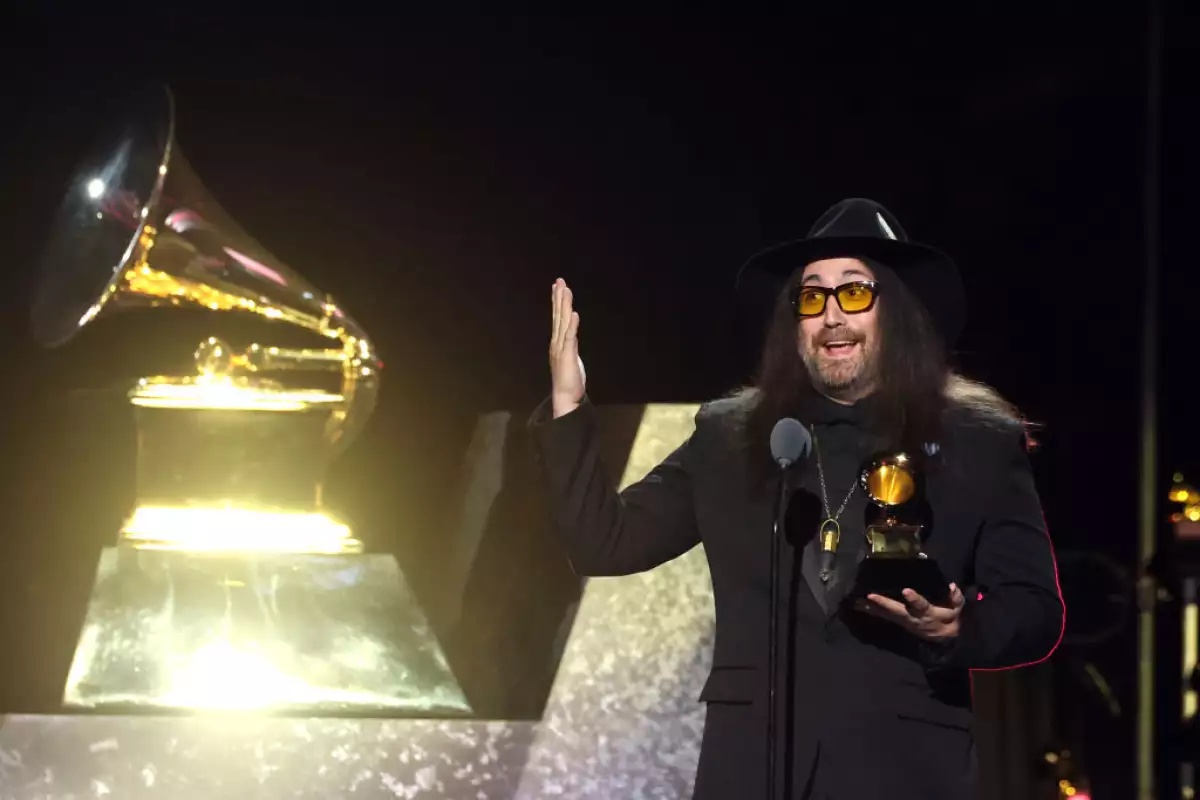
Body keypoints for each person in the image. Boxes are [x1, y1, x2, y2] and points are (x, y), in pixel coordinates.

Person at [532, 198, 1064, 799]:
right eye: (812, 298)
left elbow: (1036, 611)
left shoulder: (977, 441)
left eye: (854, 293)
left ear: (899, 312)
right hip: (753, 771)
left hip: (904, 771)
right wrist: (567, 407)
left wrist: (958, 629)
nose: (831, 316)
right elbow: (604, 543)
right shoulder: (731, 437)